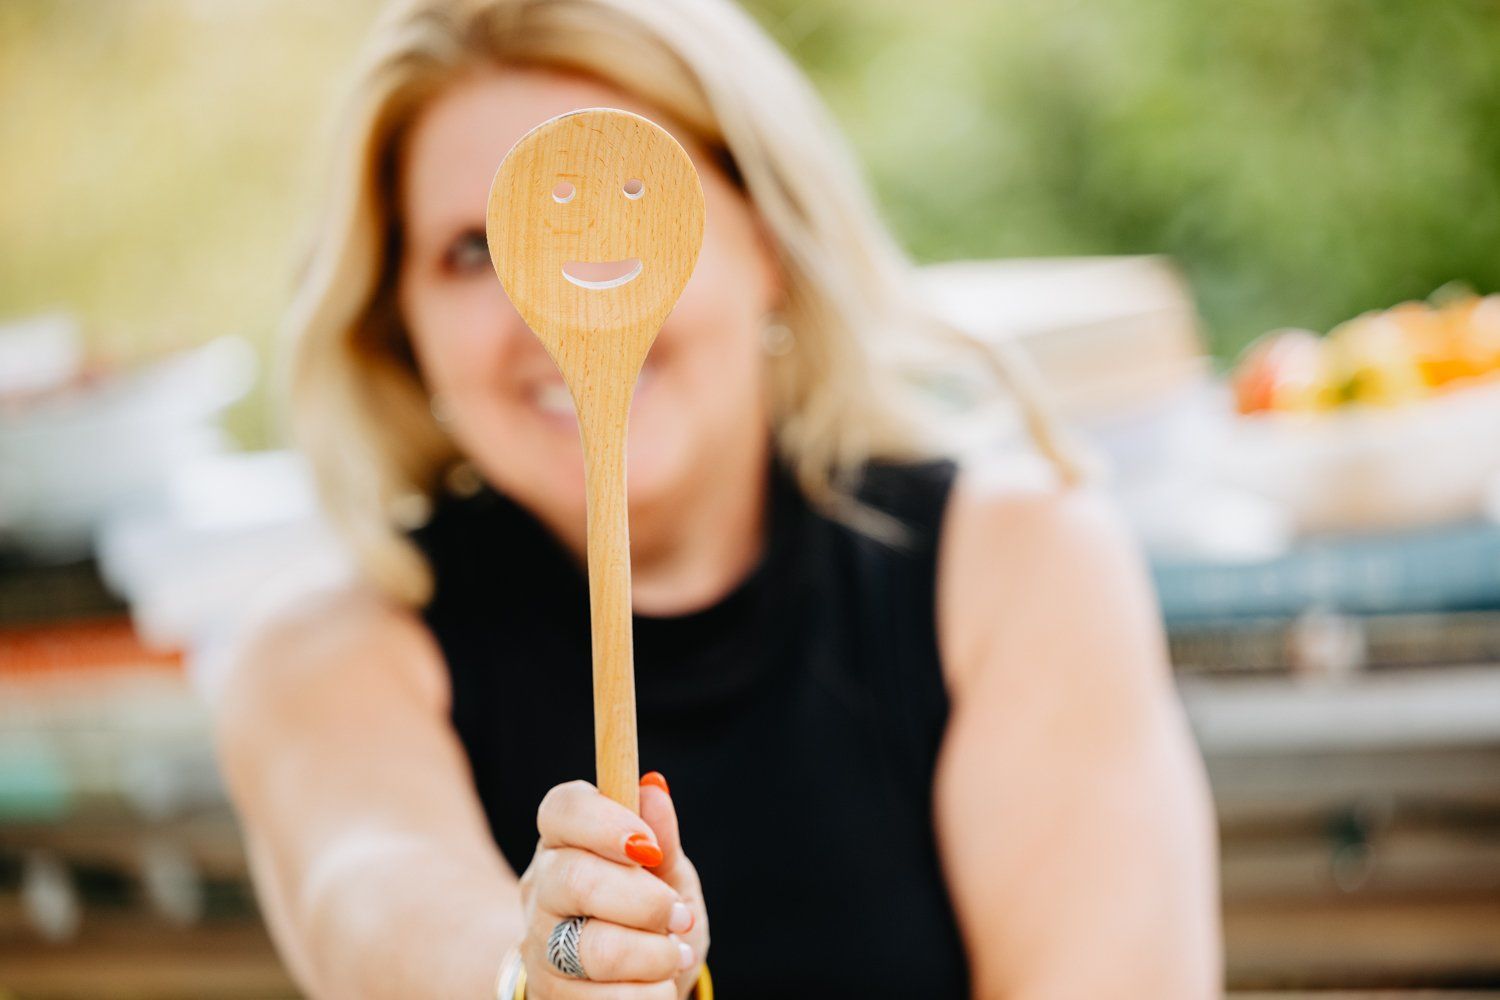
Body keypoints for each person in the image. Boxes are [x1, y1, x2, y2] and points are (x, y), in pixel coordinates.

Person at [209, 0, 1223, 997]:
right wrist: (534, 980)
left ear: (766, 242)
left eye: (631, 208)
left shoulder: (1018, 565)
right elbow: (372, 894)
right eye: (475, 251)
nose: (546, 297)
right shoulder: (322, 654)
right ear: (401, 324)